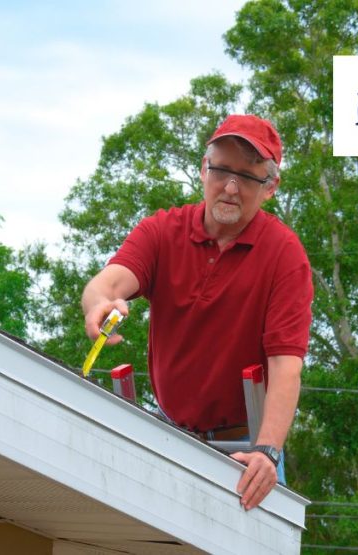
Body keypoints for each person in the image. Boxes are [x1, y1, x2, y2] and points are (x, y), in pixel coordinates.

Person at [80, 114, 313, 511]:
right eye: (221, 170)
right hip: (169, 433)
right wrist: (99, 304)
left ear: (270, 187)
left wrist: (267, 453)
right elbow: (108, 283)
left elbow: (286, 366)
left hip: (245, 451)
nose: (231, 188)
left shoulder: (284, 255)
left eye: (248, 177)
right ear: (204, 168)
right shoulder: (163, 230)